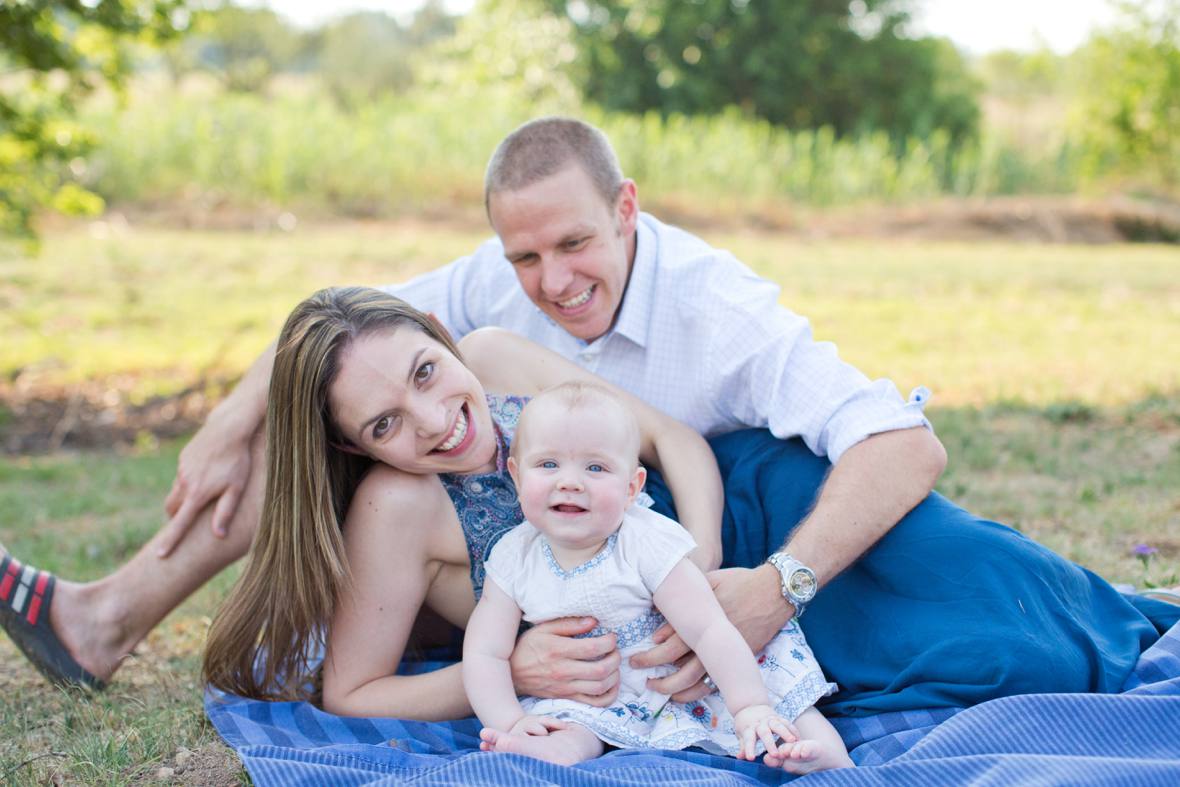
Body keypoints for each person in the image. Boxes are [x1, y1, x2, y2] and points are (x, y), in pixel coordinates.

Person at [2, 117, 1172, 712]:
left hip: (762, 512)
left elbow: (903, 442)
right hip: (570, 572)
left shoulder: (710, 310)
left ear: (625, 208)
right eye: (525, 254)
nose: (553, 277)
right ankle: (104, 617)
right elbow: (351, 337)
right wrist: (230, 410)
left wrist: (748, 584)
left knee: (1009, 613)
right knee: (324, 422)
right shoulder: (466, 329)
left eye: (575, 244)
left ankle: (1109, 617)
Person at [202, 286, 725, 719]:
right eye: (384, 424)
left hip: (722, 536)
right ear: (352, 446)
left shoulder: (498, 359)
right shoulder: (400, 505)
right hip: (656, 670)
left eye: (424, 372)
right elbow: (352, 693)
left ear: (440, 334)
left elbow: (674, 440)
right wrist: (511, 670)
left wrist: (700, 571)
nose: (433, 421)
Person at [464, 382, 852, 772]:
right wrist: (510, 720)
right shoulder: (513, 556)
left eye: (595, 467)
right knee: (568, 721)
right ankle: (552, 750)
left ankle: (817, 747)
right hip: (601, 692)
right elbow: (485, 651)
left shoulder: (645, 540)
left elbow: (709, 630)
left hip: (695, 674)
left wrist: (750, 706)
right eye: (548, 464)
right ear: (516, 476)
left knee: (780, 695)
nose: (570, 481)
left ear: (632, 487)